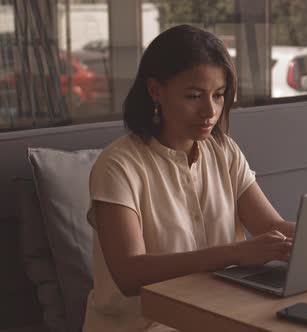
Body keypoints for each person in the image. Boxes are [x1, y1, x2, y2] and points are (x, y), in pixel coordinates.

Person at [83, 25, 295, 332]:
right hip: (145, 325)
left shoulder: (223, 150)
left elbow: (270, 227)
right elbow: (129, 274)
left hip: (218, 314)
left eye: (219, 95)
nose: (210, 111)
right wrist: (235, 254)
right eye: (194, 96)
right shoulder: (117, 165)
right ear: (155, 90)